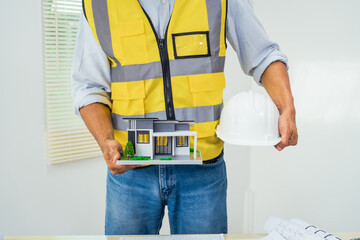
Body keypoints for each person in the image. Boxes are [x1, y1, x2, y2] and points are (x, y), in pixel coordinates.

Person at [71, 0, 298, 235]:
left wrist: (287, 108)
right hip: (132, 170)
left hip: (202, 168)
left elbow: (263, 55)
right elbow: (88, 87)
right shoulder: (99, 5)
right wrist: (105, 140)